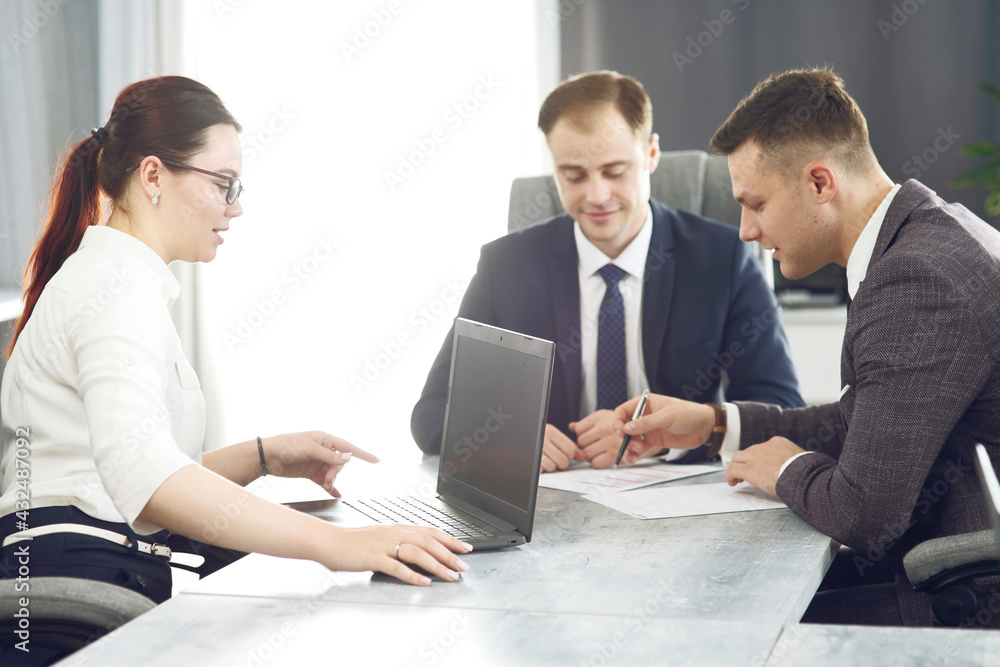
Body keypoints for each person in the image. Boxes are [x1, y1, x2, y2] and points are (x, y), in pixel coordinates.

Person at [0, 76, 471, 618]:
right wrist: (342, 547)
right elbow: (144, 479)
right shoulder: (116, 289)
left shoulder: (117, 279)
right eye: (224, 183)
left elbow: (129, 472)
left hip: (81, 566)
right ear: (152, 174)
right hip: (79, 587)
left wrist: (264, 456)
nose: (235, 206)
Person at [614, 67, 1000, 627]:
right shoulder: (935, 235)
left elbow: (864, 513)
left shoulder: (917, 280)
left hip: (958, 596)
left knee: (704, 612)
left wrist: (788, 468)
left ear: (820, 183)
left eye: (756, 204)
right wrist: (715, 424)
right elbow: (871, 422)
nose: (746, 230)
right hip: (941, 562)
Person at [411, 71, 803, 471]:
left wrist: (669, 441)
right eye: (573, 176)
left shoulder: (723, 259)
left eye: (615, 171)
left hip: (680, 498)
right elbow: (431, 411)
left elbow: (781, 409)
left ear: (651, 155)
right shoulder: (506, 266)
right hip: (554, 499)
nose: (597, 196)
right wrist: (505, 436)